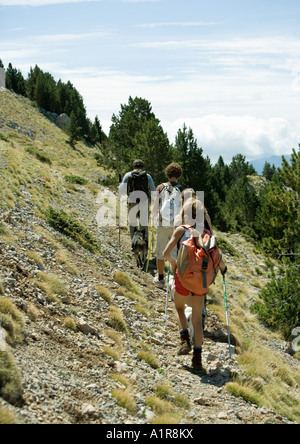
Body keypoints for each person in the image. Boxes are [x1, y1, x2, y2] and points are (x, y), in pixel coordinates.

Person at [163, 199, 227, 371]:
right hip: (201, 283)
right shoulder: (208, 235)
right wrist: (223, 270)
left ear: (184, 214)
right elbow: (220, 261)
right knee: (198, 320)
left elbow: (165, 254)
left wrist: (175, 264)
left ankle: (184, 339)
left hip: (183, 277)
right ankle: (197, 360)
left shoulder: (181, 230)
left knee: (179, 308)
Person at [152, 163, 184, 288]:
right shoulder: (183, 190)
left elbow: (155, 209)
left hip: (162, 223)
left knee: (160, 251)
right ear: (179, 175)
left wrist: (154, 217)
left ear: (167, 174)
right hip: (177, 225)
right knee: (174, 253)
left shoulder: (160, 187)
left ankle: (160, 278)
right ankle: (173, 280)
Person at [119, 159, 156, 246]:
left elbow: (121, 191)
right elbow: (153, 190)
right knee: (144, 223)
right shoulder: (147, 176)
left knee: (133, 222)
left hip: (132, 201)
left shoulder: (128, 175)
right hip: (144, 201)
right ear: (143, 167)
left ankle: (134, 244)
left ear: (133, 166)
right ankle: (145, 244)